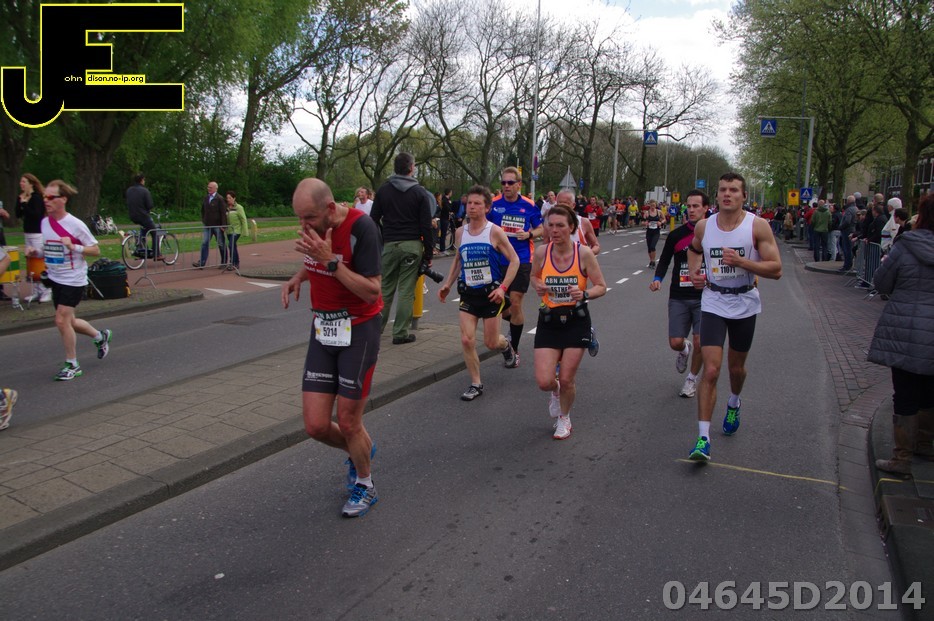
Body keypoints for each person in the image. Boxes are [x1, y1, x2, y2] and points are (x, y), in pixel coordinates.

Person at [281, 178, 383, 518]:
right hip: (323, 330)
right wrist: (300, 276)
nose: (303, 225)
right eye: (299, 217)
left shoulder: (362, 228)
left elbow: (372, 291)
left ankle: (365, 484)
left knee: (350, 422)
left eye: (309, 217)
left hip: (359, 330)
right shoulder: (315, 226)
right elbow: (317, 258)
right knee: (315, 425)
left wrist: (330, 262)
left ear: (329, 208)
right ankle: (361, 449)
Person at [685, 172, 783, 461]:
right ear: (716, 195)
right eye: (723, 190)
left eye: (734, 190)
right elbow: (693, 249)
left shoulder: (757, 225)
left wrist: (742, 262)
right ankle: (703, 439)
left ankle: (734, 402)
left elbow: (776, 269)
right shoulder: (704, 226)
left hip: (744, 303)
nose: (727, 194)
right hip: (713, 301)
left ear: (743, 196)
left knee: (736, 369)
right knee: (711, 370)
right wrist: (694, 272)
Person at [867, 193, 934, 476]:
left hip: (904, 329)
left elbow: (881, 282)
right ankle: (925, 445)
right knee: (930, 392)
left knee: (905, 393)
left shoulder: (906, 246)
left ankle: (902, 458)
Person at [531, 203, 607, 439]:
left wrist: (584, 293)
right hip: (549, 320)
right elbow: (534, 276)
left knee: (566, 378)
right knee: (544, 381)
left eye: (560, 225)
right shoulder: (542, 252)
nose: (554, 230)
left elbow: (601, 286)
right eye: (550, 225)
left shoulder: (583, 253)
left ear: (572, 227)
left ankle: (564, 418)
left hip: (576, 320)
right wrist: (538, 285)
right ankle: (555, 392)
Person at [24, 180, 112, 381]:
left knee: (60, 320)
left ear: (63, 199)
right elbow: (50, 249)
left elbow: (95, 249)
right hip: (55, 278)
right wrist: (35, 252)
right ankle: (100, 336)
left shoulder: (75, 224)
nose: (46, 200)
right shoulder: (45, 222)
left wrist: (75, 247)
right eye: (44, 197)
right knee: (69, 321)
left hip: (73, 279)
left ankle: (72, 364)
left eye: (50, 197)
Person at [438, 185, 520, 401]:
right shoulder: (460, 232)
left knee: (491, 343)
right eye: (469, 203)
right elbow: (458, 260)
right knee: (467, 340)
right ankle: (476, 383)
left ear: (487, 208)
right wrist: (448, 284)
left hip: (491, 295)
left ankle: (506, 346)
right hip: (468, 295)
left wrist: (503, 288)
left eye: (477, 204)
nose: (471, 207)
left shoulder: (494, 231)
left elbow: (514, 261)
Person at [370, 152, 434, 345]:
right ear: (411, 168)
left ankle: (374, 330)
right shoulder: (419, 193)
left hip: (389, 244)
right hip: (412, 245)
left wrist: (382, 238)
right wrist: (428, 253)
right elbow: (426, 226)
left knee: (385, 289)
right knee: (406, 290)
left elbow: (373, 219)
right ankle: (400, 333)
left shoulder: (383, 190)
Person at [651, 190, 707, 398]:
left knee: (701, 341)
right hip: (679, 296)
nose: (691, 210)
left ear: (705, 208)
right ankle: (684, 349)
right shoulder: (677, 235)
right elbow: (665, 260)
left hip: (705, 296)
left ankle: (691, 379)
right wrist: (658, 279)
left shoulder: (714, 234)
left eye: (696, 206)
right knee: (675, 342)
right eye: (688, 206)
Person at [488, 166, 543, 366]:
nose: (506, 186)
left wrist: (529, 234)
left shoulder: (529, 205)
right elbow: (484, 228)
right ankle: (514, 324)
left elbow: (541, 228)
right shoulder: (494, 205)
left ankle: (514, 349)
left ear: (519, 185)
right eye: (503, 182)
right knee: (502, 307)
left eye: (510, 183)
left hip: (521, 259)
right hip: (498, 261)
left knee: (517, 302)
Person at [17, 173, 52, 303]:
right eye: (21, 182)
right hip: (27, 233)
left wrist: (25, 204)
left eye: (24, 182)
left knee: (39, 260)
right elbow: (18, 214)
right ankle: (37, 290)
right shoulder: (23, 197)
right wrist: (20, 202)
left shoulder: (36, 198)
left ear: (31, 184)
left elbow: (36, 214)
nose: (21, 184)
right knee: (31, 260)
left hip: (37, 233)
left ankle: (46, 290)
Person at [126, 173, 161, 261]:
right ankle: (157, 254)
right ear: (142, 180)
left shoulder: (129, 190)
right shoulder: (145, 191)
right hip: (142, 216)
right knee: (154, 232)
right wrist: (147, 210)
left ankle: (142, 249)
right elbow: (149, 205)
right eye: (144, 180)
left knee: (144, 232)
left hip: (132, 216)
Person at [193, 181, 227, 268]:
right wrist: (204, 220)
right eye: (208, 187)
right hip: (207, 225)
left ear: (215, 188)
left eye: (210, 187)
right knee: (204, 243)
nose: (208, 189)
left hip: (217, 225)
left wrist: (223, 225)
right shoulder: (206, 198)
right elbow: (203, 210)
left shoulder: (220, 199)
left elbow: (223, 213)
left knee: (221, 243)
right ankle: (202, 262)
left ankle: (224, 262)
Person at [224, 191, 249, 271]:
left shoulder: (239, 208)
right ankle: (236, 262)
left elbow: (243, 219)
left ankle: (233, 263)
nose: (228, 199)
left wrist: (245, 231)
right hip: (229, 231)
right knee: (233, 246)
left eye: (230, 198)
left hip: (236, 230)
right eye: (227, 198)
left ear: (234, 198)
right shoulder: (226, 208)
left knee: (231, 245)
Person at [643, 200, 663, 267]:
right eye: (651, 206)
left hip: (656, 232)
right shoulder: (647, 213)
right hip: (649, 231)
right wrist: (645, 223)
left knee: (652, 246)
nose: (652, 207)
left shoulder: (659, 212)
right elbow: (643, 221)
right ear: (650, 206)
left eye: (654, 205)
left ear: (656, 205)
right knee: (649, 247)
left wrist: (661, 222)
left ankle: (653, 261)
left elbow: (664, 219)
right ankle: (651, 260)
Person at [438, 188, 453, 254]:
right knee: (443, 234)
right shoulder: (445, 200)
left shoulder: (447, 200)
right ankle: (442, 249)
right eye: (451, 192)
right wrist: (450, 210)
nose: (451, 193)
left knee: (444, 234)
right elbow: (448, 208)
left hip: (446, 218)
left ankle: (443, 248)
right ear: (449, 193)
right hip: (444, 218)